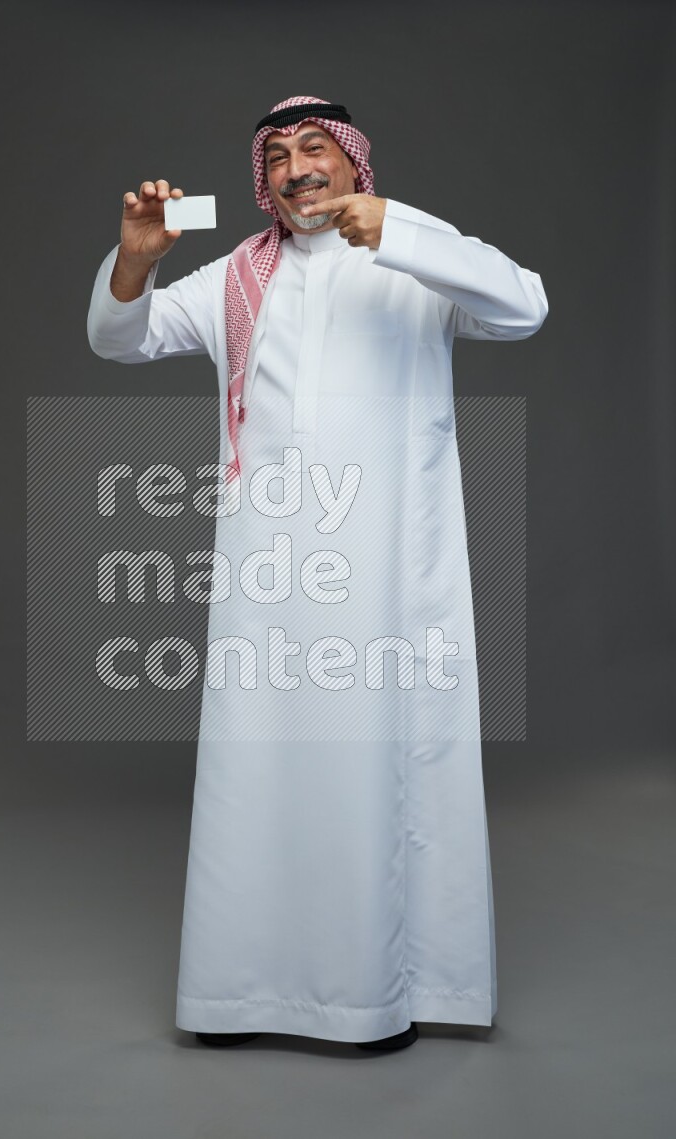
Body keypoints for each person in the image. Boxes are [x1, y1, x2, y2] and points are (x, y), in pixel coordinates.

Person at [87, 96, 548, 1052]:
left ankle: (392, 989)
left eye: (317, 151)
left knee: (381, 763)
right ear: (263, 178)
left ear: (352, 165)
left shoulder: (414, 260)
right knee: (258, 767)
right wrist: (138, 251)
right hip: (265, 572)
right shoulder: (234, 279)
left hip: (387, 574)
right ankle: (244, 994)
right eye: (282, 156)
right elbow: (119, 338)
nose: (300, 170)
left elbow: (525, 307)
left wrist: (407, 231)